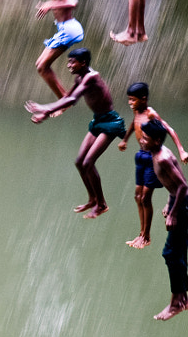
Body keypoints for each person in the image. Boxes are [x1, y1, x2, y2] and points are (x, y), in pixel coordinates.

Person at [24, 48, 126, 219]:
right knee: (80, 162)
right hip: (98, 120)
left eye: (72, 62)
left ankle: (102, 204)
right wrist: (47, 113)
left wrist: (45, 108)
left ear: (83, 63)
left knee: (88, 162)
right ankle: (92, 199)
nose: (69, 65)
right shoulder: (80, 78)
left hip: (110, 123)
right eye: (69, 61)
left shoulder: (92, 77)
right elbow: (67, 99)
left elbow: (72, 99)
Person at [118, 82, 188, 249]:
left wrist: (181, 150)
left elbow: (168, 129)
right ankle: (141, 233)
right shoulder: (136, 111)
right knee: (137, 196)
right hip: (141, 155)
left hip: (152, 157)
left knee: (145, 197)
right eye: (129, 100)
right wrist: (125, 139)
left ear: (143, 99)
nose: (130, 103)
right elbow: (134, 123)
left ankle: (146, 236)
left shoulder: (151, 113)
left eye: (133, 100)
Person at [139, 119, 188, 321]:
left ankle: (176, 304)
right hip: (182, 203)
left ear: (156, 140)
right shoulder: (158, 153)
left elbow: (182, 185)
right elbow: (174, 185)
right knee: (177, 252)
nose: (141, 140)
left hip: (185, 206)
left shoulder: (162, 158)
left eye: (145, 138)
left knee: (170, 253)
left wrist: (173, 213)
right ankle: (183, 299)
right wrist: (169, 202)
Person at [32, 0, 90, 100]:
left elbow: (73, 2)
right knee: (40, 65)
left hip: (69, 30)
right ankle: (64, 98)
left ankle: (64, 101)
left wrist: (50, 4)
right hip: (67, 28)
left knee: (42, 67)